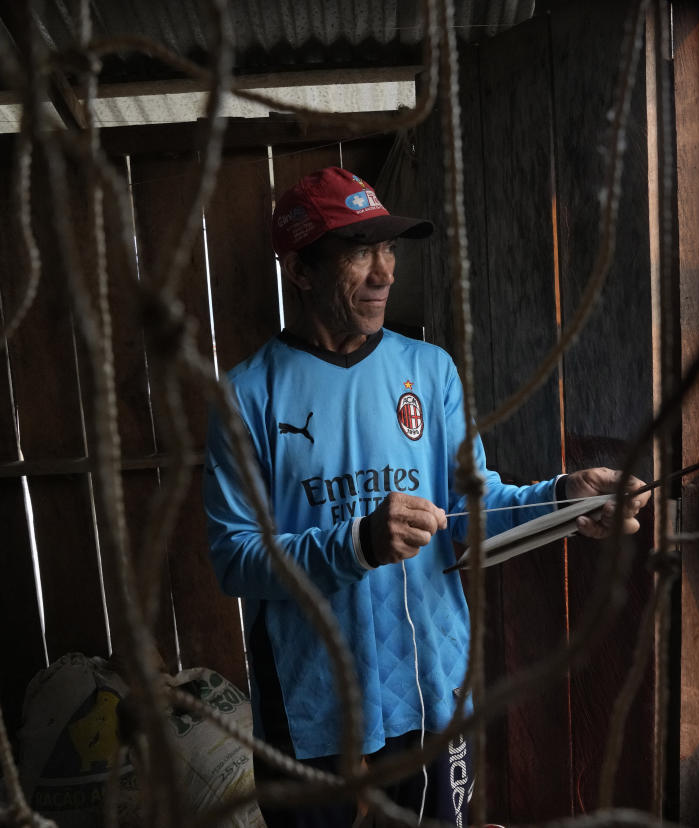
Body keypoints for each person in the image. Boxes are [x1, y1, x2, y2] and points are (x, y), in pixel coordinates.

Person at [204, 167, 649, 827]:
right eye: (359, 251)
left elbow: (474, 511)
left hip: (431, 690)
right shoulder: (247, 396)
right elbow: (235, 558)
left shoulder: (428, 370)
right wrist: (358, 542)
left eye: (389, 249)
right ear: (300, 271)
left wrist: (565, 499)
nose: (384, 272)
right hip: (315, 707)